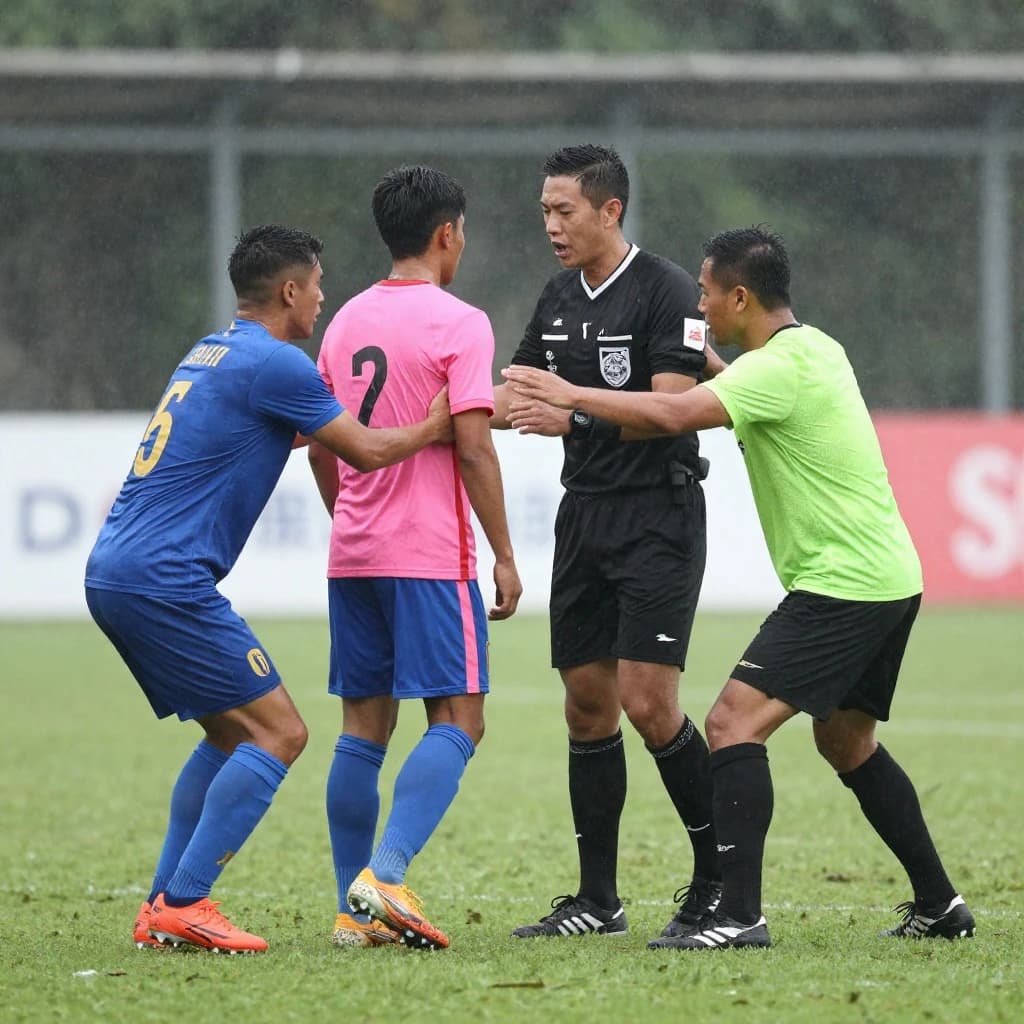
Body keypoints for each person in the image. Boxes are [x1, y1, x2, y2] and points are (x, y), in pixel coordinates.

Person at [503, 225, 975, 950]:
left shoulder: (775, 371)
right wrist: (701, 359)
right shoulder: (814, 350)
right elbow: (727, 385)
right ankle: (941, 905)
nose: (697, 300)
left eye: (706, 290)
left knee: (731, 723)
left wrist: (572, 397)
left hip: (843, 585)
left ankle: (738, 914)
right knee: (848, 742)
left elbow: (671, 414)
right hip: (887, 577)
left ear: (740, 296)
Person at [85, 225, 452, 955]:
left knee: (230, 734)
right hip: (166, 579)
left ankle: (163, 901)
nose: (322, 299)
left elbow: (273, 432)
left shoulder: (211, 350)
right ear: (290, 290)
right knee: (281, 732)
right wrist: (442, 420)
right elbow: (368, 453)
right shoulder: (278, 363)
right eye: (316, 285)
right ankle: (185, 902)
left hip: (117, 571)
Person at [491, 144, 726, 942]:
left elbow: (672, 404)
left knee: (648, 703)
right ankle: (598, 900)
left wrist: (577, 413)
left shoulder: (666, 291)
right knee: (587, 705)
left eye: (564, 211)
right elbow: (514, 393)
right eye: (545, 212)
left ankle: (720, 879)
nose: (551, 226)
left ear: (610, 210)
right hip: (584, 514)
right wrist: (401, 420)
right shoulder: (558, 295)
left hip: (657, 515)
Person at [308, 165, 522, 951]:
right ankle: (384, 875)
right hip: (430, 555)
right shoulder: (460, 323)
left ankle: (348, 910)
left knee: (361, 728)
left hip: (354, 555)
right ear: (446, 234)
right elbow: (472, 446)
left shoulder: (344, 322)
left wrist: (352, 518)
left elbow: (322, 449)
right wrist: (503, 553)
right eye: (461, 232)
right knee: (460, 717)